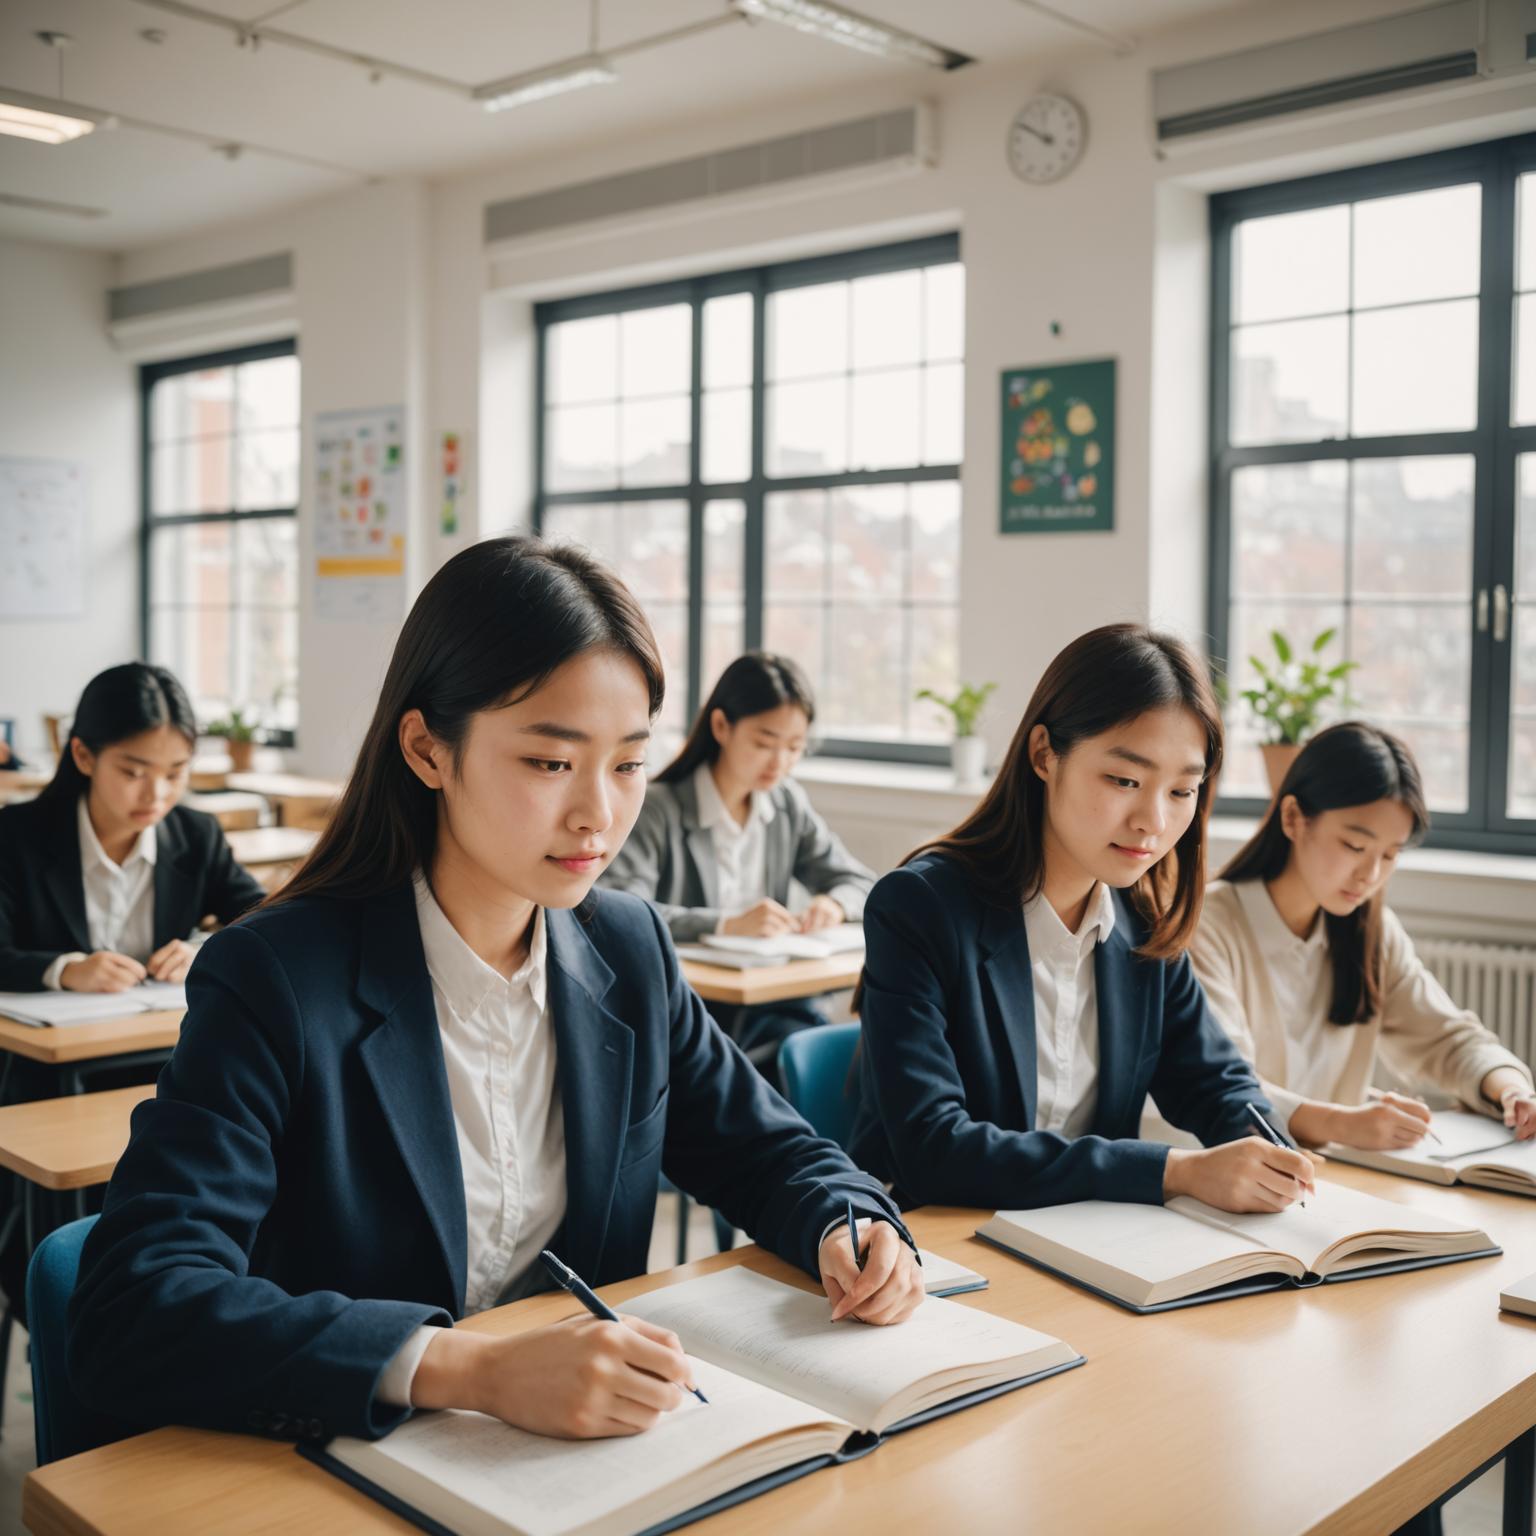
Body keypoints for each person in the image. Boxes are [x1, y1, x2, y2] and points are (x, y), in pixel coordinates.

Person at [69, 537, 922, 1452]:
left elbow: (769, 1151)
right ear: (427, 749)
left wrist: (853, 1221)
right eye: (551, 764)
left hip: (579, 1473)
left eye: (628, 764)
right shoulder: (274, 977)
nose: (599, 812)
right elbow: (138, 1302)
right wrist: (468, 1370)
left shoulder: (626, 948)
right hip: (349, 1467)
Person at [850, 623, 1315, 1214]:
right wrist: (1174, 1171)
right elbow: (934, 1149)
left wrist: (1272, 1151)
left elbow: (1216, 1081)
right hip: (927, 1251)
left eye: (1182, 791)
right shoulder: (918, 908)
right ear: (1045, 754)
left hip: (1084, 1249)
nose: (1152, 821)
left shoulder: (1142, 919)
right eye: (1124, 780)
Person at [1192, 722, 1535, 1150]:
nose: (1370, 875)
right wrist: (1342, 1125)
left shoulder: (1370, 930)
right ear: (1294, 818)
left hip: (1331, 1185)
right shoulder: (1208, 926)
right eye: (1355, 846)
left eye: (1390, 855)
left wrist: (1510, 1088)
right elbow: (1221, 1087)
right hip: (1222, 1182)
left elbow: (1446, 1038)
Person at [601, 651, 873, 1074]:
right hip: (692, 1010)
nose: (779, 762)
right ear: (722, 726)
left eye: (794, 747)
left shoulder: (785, 804)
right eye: (765, 743)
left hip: (773, 1006)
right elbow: (619, 910)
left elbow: (859, 880)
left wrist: (834, 903)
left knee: (847, 1055)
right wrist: (725, 925)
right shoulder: (659, 808)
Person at [0, 662, 265, 994]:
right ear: (83, 756)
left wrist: (203, 951)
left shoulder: (197, 836)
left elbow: (265, 919)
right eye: (133, 773)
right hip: (47, 1042)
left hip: (163, 1038)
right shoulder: (13, 835)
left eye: (174, 774)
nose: (156, 795)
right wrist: (64, 970)